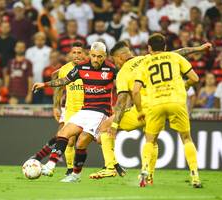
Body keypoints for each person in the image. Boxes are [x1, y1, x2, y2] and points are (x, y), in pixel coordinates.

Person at [89, 40, 212, 182]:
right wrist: (199, 48)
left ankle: (110, 168)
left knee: (105, 127)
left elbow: (122, 100)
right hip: (158, 104)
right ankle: (150, 175)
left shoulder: (123, 72)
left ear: (120, 57)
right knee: (152, 140)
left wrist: (115, 125)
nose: (115, 63)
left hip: (142, 109)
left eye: (114, 60)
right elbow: (177, 53)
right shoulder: (148, 58)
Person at [32, 42, 117, 182]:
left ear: (105, 56)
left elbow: (123, 88)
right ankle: (51, 165)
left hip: (101, 112)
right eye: (94, 56)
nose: (96, 59)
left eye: (100, 57)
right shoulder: (81, 67)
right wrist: (44, 85)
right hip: (85, 110)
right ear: (89, 54)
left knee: (81, 144)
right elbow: (64, 80)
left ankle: (77, 174)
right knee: (63, 133)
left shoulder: (112, 70)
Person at [132, 33, 201, 188]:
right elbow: (195, 78)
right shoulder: (175, 57)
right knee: (186, 138)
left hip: (155, 103)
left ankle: (144, 170)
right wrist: (186, 84)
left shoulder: (144, 62)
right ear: (165, 47)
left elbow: (135, 91)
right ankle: (195, 175)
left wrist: (140, 110)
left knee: (150, 140)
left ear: (149, 48)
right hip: (176, 101)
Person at [30, 41, 86, 176]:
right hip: (71, 109)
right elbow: (59, 90)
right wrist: (56, 106)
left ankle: (112, 165)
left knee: (94, 139)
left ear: (84, 54)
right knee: (69, 140)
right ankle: (70, 169)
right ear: (69, 54)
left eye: (79, 52)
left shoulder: (89, 67)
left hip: (88, 109)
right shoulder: (64, 70)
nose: (77, 55)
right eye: (74, 52)